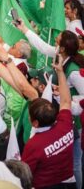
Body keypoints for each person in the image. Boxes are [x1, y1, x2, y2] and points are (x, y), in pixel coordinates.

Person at [21, 55, 76, 188]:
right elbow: (66, 101)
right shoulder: (65, 124)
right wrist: (60, 71)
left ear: (35, 123)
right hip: (69, 183)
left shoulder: (34, 145)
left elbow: (25, 174)